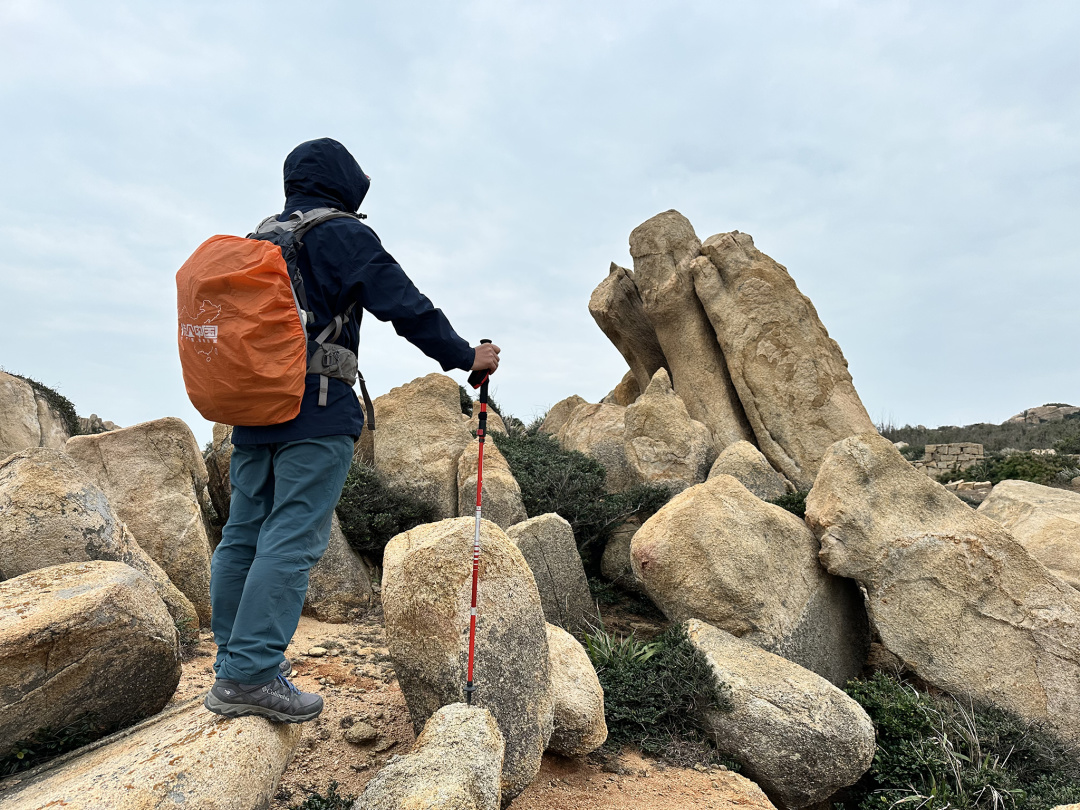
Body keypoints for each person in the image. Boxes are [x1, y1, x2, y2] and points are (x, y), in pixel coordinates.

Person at [203, 137, 500, 723]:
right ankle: (251, 674)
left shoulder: (260, 239)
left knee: (243, 534)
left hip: (254, 410)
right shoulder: (341, 233)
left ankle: (232, 663)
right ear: (342, 179)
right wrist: (466, 356)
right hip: (314, 414)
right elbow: (405, 305)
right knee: (292, 537)